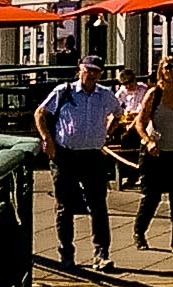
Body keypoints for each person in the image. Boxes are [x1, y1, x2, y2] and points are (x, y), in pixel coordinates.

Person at [35, 59, 129, 271]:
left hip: (92, 155)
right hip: (65, 155)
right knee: (64, 207)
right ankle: (66, 253)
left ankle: (101, 253)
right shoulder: (64, 91)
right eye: (88, 70)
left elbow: (118, 113)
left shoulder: (104, 94)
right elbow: (40, 113)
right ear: (80, 69)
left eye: (97, 72)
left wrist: (107, 132)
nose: (92, 75)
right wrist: (47, 139)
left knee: (98, 205)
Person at [131, 57, 173, 255]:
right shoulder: (154, 94)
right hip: (155, 153)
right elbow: (139, 123)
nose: (172, 70)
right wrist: (149, 141)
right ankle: (139, 232)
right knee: (151, 197)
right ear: (161, 71)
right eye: (168, 67)